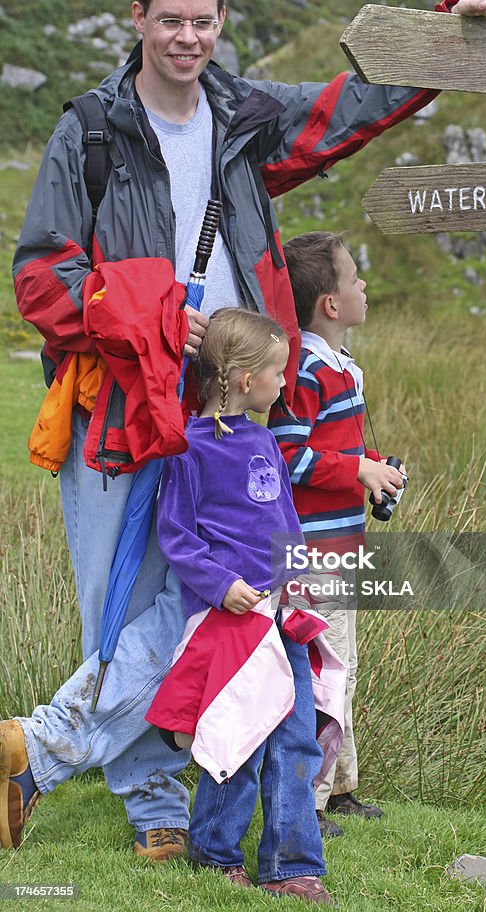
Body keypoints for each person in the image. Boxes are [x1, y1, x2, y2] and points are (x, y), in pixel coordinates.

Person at [3, 0, 486, 859]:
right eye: (168, 21)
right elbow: (40, 279)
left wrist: (448, 30)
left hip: (234, 420)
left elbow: (345, 109)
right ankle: (153, 801)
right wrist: (149, 314)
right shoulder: (92, 130)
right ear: (138, 18)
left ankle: (35, 749)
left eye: (201, 22)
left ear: (220, 20)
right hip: (118, 411)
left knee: (204, 604)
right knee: (125, 606)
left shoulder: (243, 116)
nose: (185, 38)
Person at [144, 307, 342, 903]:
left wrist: (298, 578)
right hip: (230, 623)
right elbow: (177, 535)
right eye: (277, 373)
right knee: (241, 737)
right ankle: (214, 848)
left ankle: (293, 864)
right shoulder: (188, 449)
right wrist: (219, 584)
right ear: (239, 378)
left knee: (296, 737)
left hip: (282, 617)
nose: (285, 384)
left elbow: (285, 523)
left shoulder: (263, 441)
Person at [268, 231, 404, 837]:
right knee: (326, 672)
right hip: (313, 555)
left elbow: (344, 446)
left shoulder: (343, 368)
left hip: (344, 548)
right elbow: (286, 453)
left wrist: (376, 469)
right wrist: (357, 469)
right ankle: (311, 804)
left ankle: (339, 785)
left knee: (341, 667)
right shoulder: (304, 372)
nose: (364, 286)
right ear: (329, 302)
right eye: (355, 278)